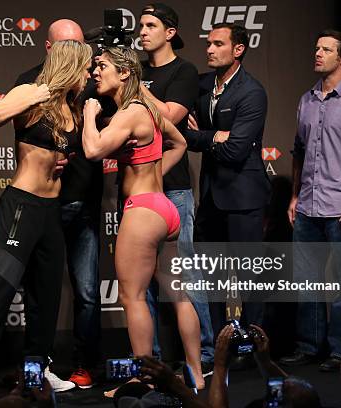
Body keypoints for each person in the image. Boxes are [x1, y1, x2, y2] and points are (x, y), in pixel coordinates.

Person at [0, 40, 92, 407]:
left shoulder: (71, 105)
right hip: (22, 207)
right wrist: (40, 91)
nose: (90, 74)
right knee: (1, 289)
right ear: (70, 66)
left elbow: (55, 150)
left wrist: (57, 159)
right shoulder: (34, 92)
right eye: (86, 68)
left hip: (50, 210)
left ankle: (36, 368)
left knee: (45, 295)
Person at [82, 47, 201, 391]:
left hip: (143, 211)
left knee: (132, 298)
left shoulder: (129, 113)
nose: (95, 72)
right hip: (163, 207)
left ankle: (141, 378)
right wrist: (155, 174)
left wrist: (90, 115)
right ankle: (195, 374)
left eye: (102, 66)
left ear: (124, 73)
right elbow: (179, 143)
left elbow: (92, 150)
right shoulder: (147, 109)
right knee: (178, 296)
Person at [281, 30, 341, 372]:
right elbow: (299, 151)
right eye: (316, 47)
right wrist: (294, 196)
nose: (318, 53)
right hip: (309, 204)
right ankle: (310, 346)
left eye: (326, 49)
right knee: (307, 281)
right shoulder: (306, 99)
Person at [15, 19, 103, 389]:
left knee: (86, 292)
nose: (81, 55)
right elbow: (22, 137)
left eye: (83, 46)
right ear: (49, 48)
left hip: (83, 200)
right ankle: (39, 367)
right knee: (40, 291)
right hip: (42, 204)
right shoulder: (29, 83)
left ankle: (84, 363)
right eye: (70, 46)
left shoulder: (92, 81)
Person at [138, 2, 215, 369]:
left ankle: (206, 352)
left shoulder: (184, 71)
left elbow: (170, 116)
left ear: (170, 32)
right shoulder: (135, 70)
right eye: (140, 25)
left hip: (174, 188)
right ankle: (151, 359)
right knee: (142, 280)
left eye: (150, 25)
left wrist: (135, 88)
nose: (142, 31)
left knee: (184, 273)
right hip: (139, 189)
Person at [184, 23, 270, 337]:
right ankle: (221, 340)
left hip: (244, 197)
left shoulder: (252, 92)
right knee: (214, 277)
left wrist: (202, 136)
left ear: (238, 50)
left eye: (218, 44)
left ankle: (253, 340)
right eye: (208, 43)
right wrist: (212, 136)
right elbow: (185, 135)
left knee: (248, 277)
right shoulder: (203, 84)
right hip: (210, 197)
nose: (209, 49)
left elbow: (235, 150)